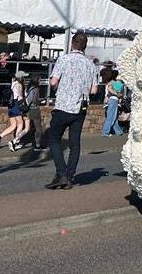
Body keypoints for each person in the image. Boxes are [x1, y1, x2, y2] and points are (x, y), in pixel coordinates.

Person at [46, 33, 98, 190]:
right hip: (80, 107)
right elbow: (94, 90)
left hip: (63, 105)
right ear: (85, 46)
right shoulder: (90, 65)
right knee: (75, 143)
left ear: (72, 44)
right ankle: (68, 176)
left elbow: (53, 81)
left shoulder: (64, 59)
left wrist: (55, 86)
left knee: (54, 139)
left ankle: (61, 173)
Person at [0, 71, 28, 152]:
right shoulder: (19, 85)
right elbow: (20, 97)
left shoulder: (13, 83)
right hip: (16, 105)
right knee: (20, 124)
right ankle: (16, 142)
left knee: (13, 125)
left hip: (10, 105)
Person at [22, 74, 45, 152]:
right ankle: (37, 145)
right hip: (35, 109)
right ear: (36, 80)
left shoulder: (29, 87)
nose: (40, 81)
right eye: (39, 80)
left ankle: (17, 141)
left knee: (28, 128)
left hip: (28, 109)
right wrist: (41, 100)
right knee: (38, 129)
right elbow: (35, 101)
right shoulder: (36, 88)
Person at [100, 68, 125, 137]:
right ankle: (105, 132)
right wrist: (117, 94)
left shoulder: (113, 82)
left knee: (113, 117)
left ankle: (118, 131)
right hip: (113, 100)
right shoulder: (116, 83)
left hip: (112, 100)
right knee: (111, 117)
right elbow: (110, 89)